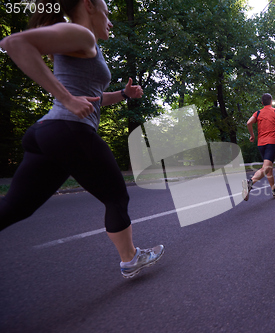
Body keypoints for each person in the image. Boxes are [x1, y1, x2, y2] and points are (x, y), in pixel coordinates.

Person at [0, 0, 163, 278]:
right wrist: (66, 98)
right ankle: (130, 258)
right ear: (88, 5)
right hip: (69, 130)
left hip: (47, 133)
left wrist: (124, 95)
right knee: (116, 196)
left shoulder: (80, 40)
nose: (110, 21)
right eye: (107, 13)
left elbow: (93, 100)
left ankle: (131, 257)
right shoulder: (81, 33)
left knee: (16, 208)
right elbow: (13, 43)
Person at [242, 93, 275, 201]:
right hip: (271, 142)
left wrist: (252, 135)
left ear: (262, 103)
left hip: (261, 144)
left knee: (268, 168)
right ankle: (251, 181)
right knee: (266, 168)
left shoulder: (258, 113)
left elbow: (249, 123)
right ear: (271, 101)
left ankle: (273, 189)